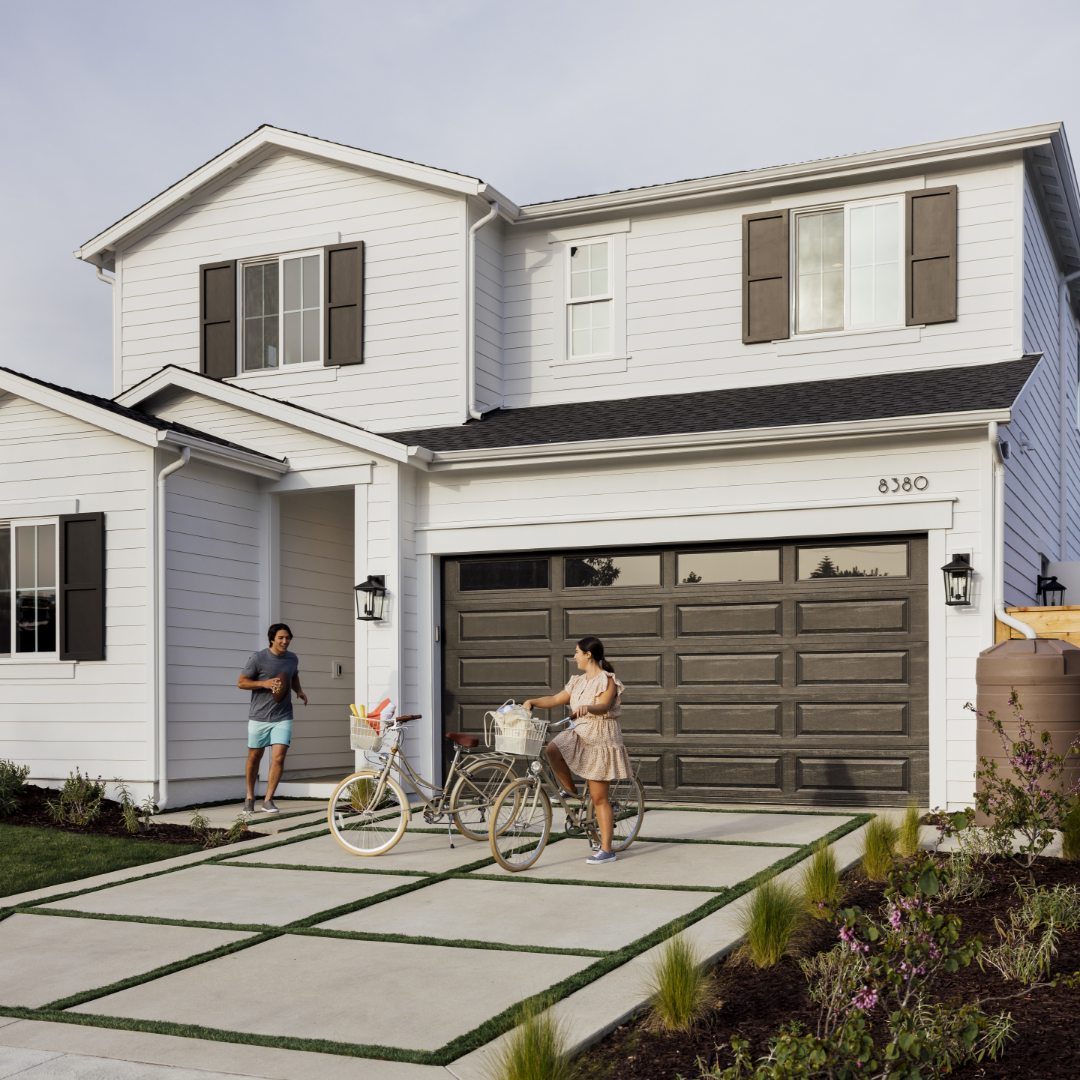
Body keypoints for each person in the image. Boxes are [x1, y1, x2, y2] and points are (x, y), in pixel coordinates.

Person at [523, 635, 632, 865]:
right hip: (580, 731)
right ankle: (569, 789)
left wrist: (587, 707)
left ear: (588, 654)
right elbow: (554, 698)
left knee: (599, 797)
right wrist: (532, 701)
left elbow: (603, 706)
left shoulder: (608, 680)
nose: (574, 657)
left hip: (601, 737)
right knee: (553, 748)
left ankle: (607, 850)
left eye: (576, 653)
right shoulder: (578, 681)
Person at [239, 623, 307, 813]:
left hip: (283, 716)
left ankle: (268, 799)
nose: (285, 641)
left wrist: (299, 691)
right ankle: (250, 797)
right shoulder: (258, 658)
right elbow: (241, 682)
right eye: (281, 638)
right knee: (255, 757)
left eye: (287, 638)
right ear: (272, 639)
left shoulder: (292, 658)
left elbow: (293, 676)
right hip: (259, 716)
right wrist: (264, 683)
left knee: (279, 757)